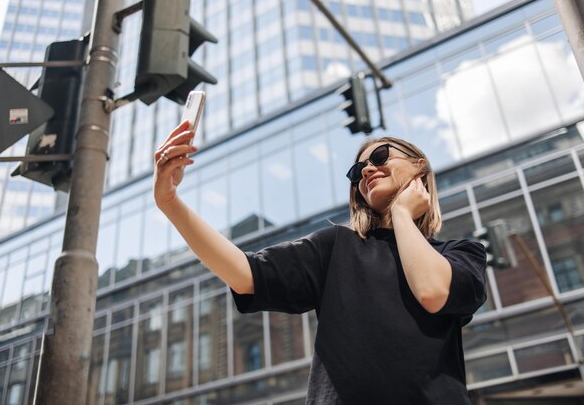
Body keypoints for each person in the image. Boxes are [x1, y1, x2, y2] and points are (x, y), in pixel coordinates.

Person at [153, 120, 488, 405]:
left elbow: (431, 291)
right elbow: (245, 274)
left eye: (381, 156)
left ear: (419, 167)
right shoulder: (337, 247)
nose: (367, 170)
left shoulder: (461, 255)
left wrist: (401, 213)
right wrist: (170, 203)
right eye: (358, 170)